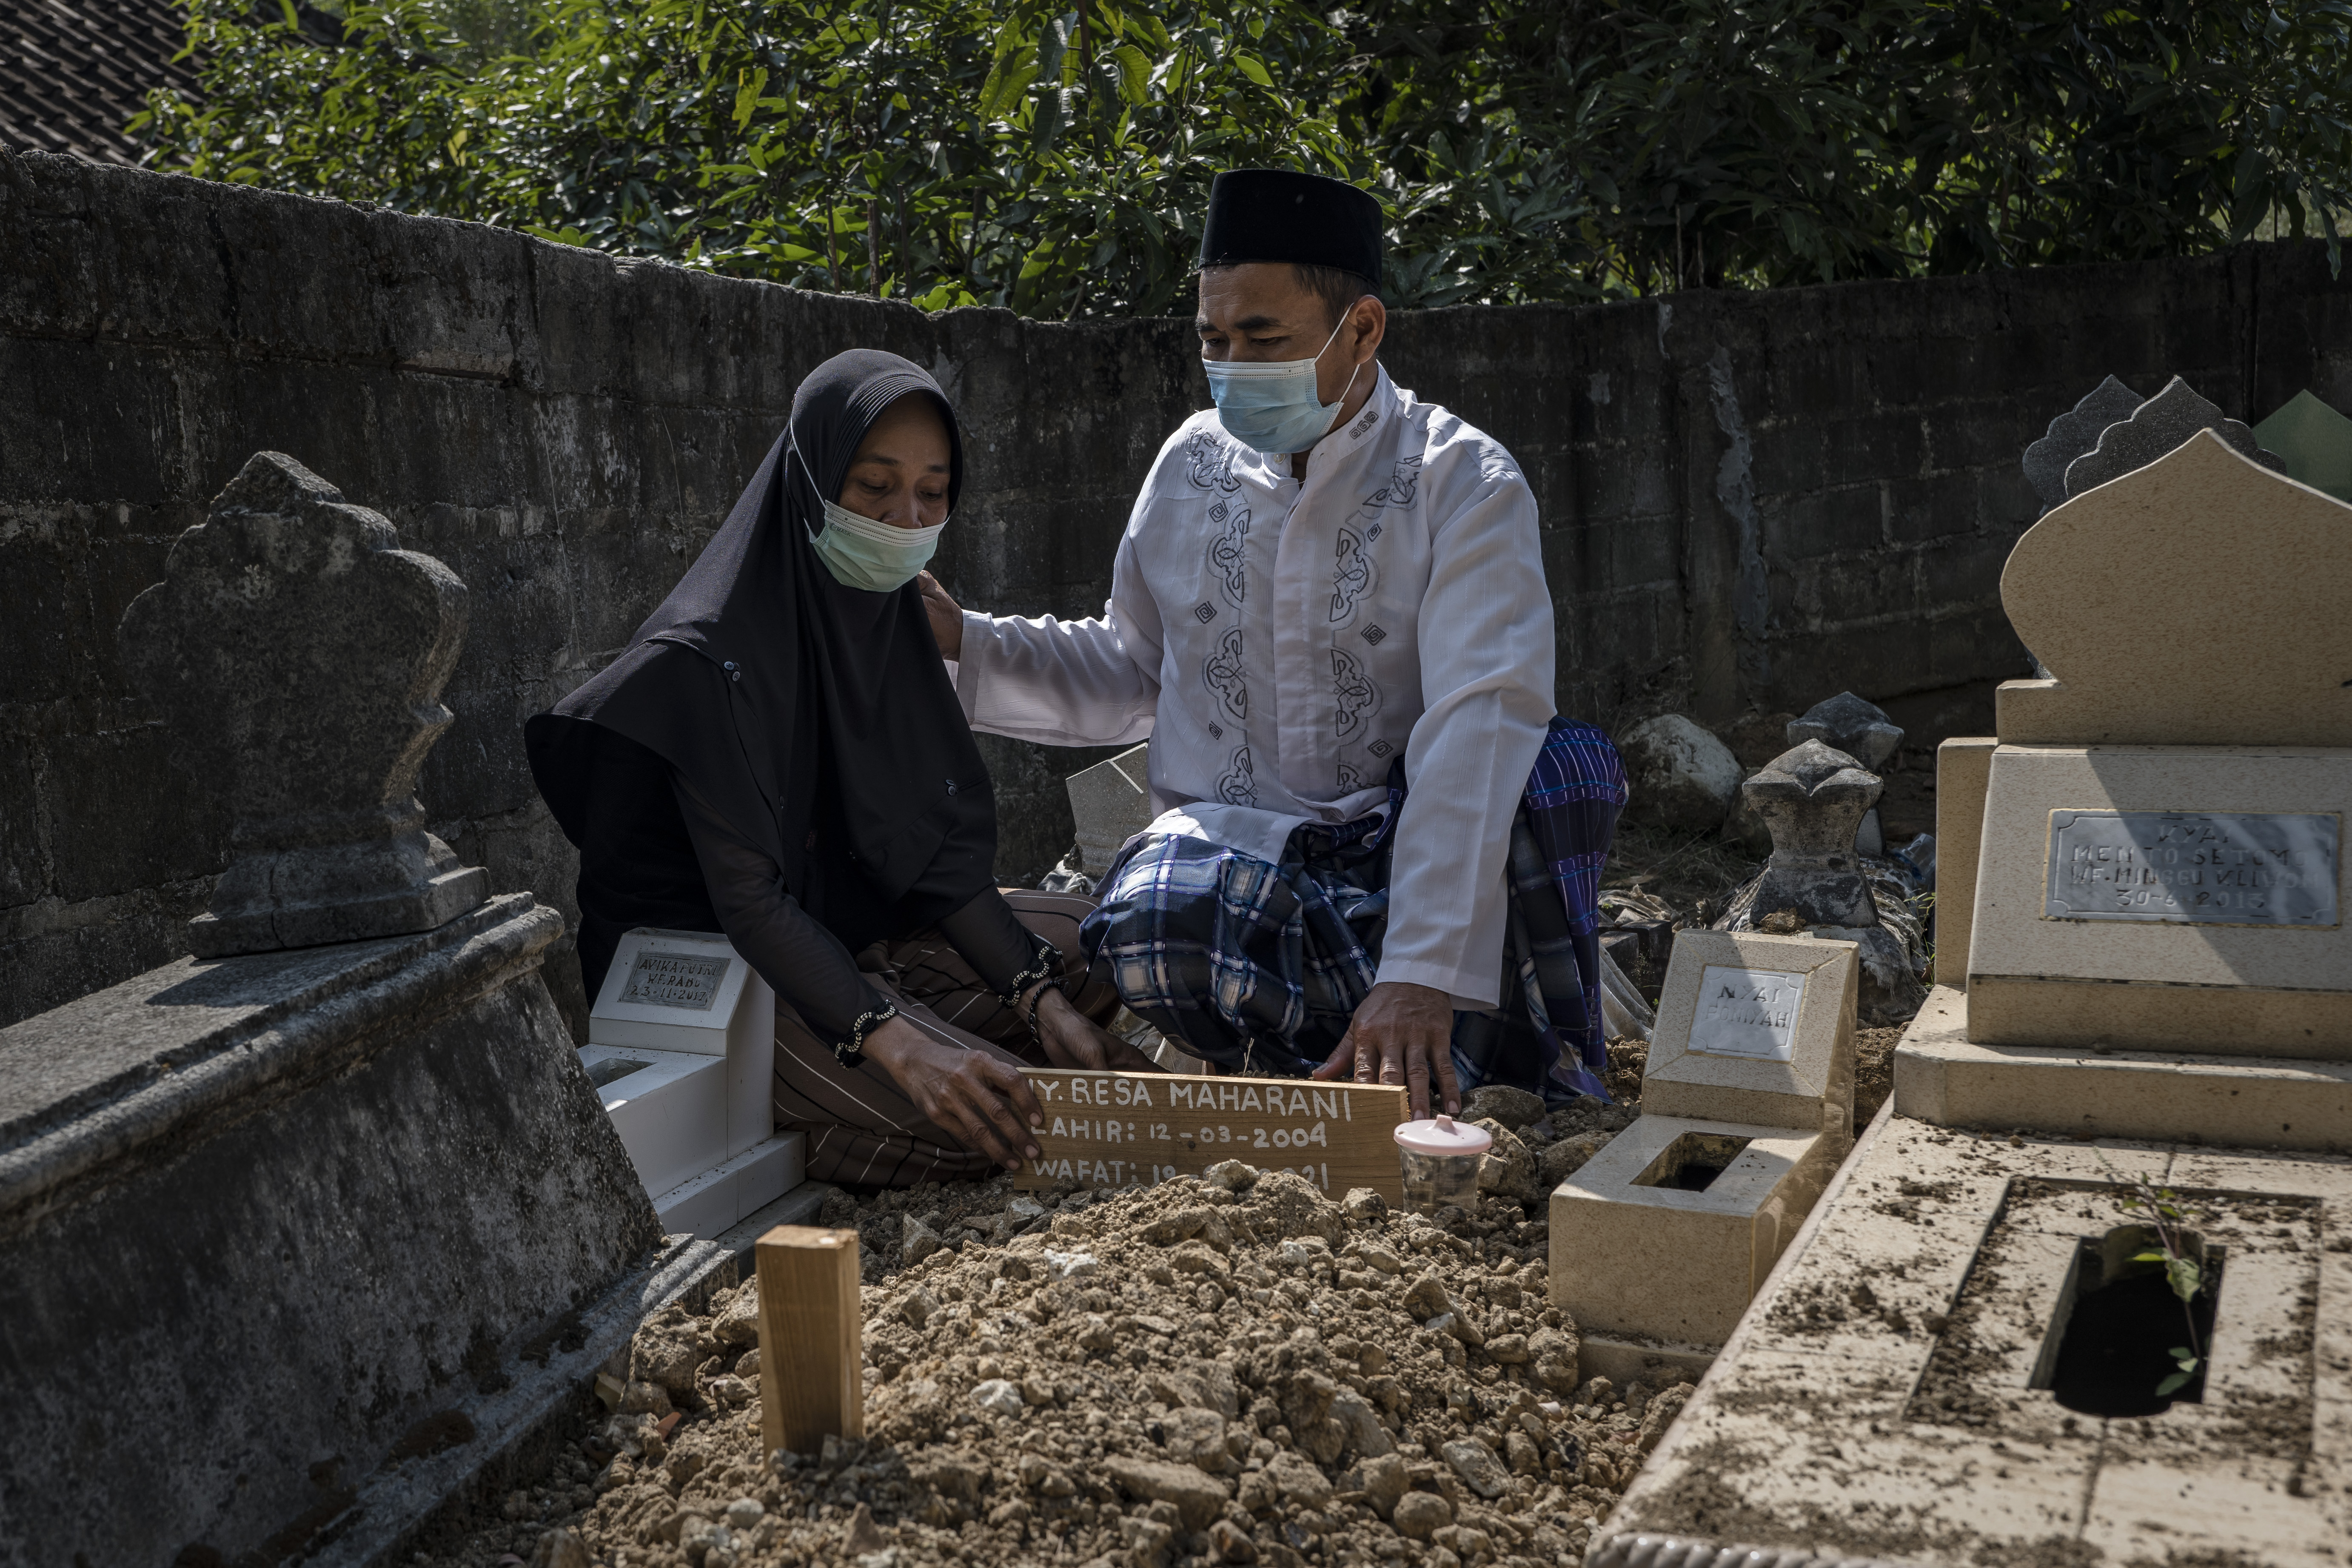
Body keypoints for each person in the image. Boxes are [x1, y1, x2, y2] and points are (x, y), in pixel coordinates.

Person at [924, 169, 1625, 1120]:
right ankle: (1319, 1068)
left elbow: (1478, 722)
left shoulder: (1460, 480)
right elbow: (1131, 669)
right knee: (1148, 920)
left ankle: (1424, 1034)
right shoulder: (1188, 464)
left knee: (1552, 768)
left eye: (1264, 339)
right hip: (1245, 877)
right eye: (1214, 339)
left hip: (1409, 868)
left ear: (1363, 331)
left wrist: (1420, 969)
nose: (1231, 364)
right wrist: (964, 641)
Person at [526, 349, 1151, 1188]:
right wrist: (904, 1046)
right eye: (874, 485)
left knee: (1116, 951)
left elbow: (927, 850)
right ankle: (803, 1126)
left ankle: (887, 1048)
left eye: (931, 493)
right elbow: (750, 904)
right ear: (813, 480)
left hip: (860, 932)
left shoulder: (886, 618)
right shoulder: (709, 659)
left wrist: (1041, 1003)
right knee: (1000, 1125)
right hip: (728, 977)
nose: (904, 517)